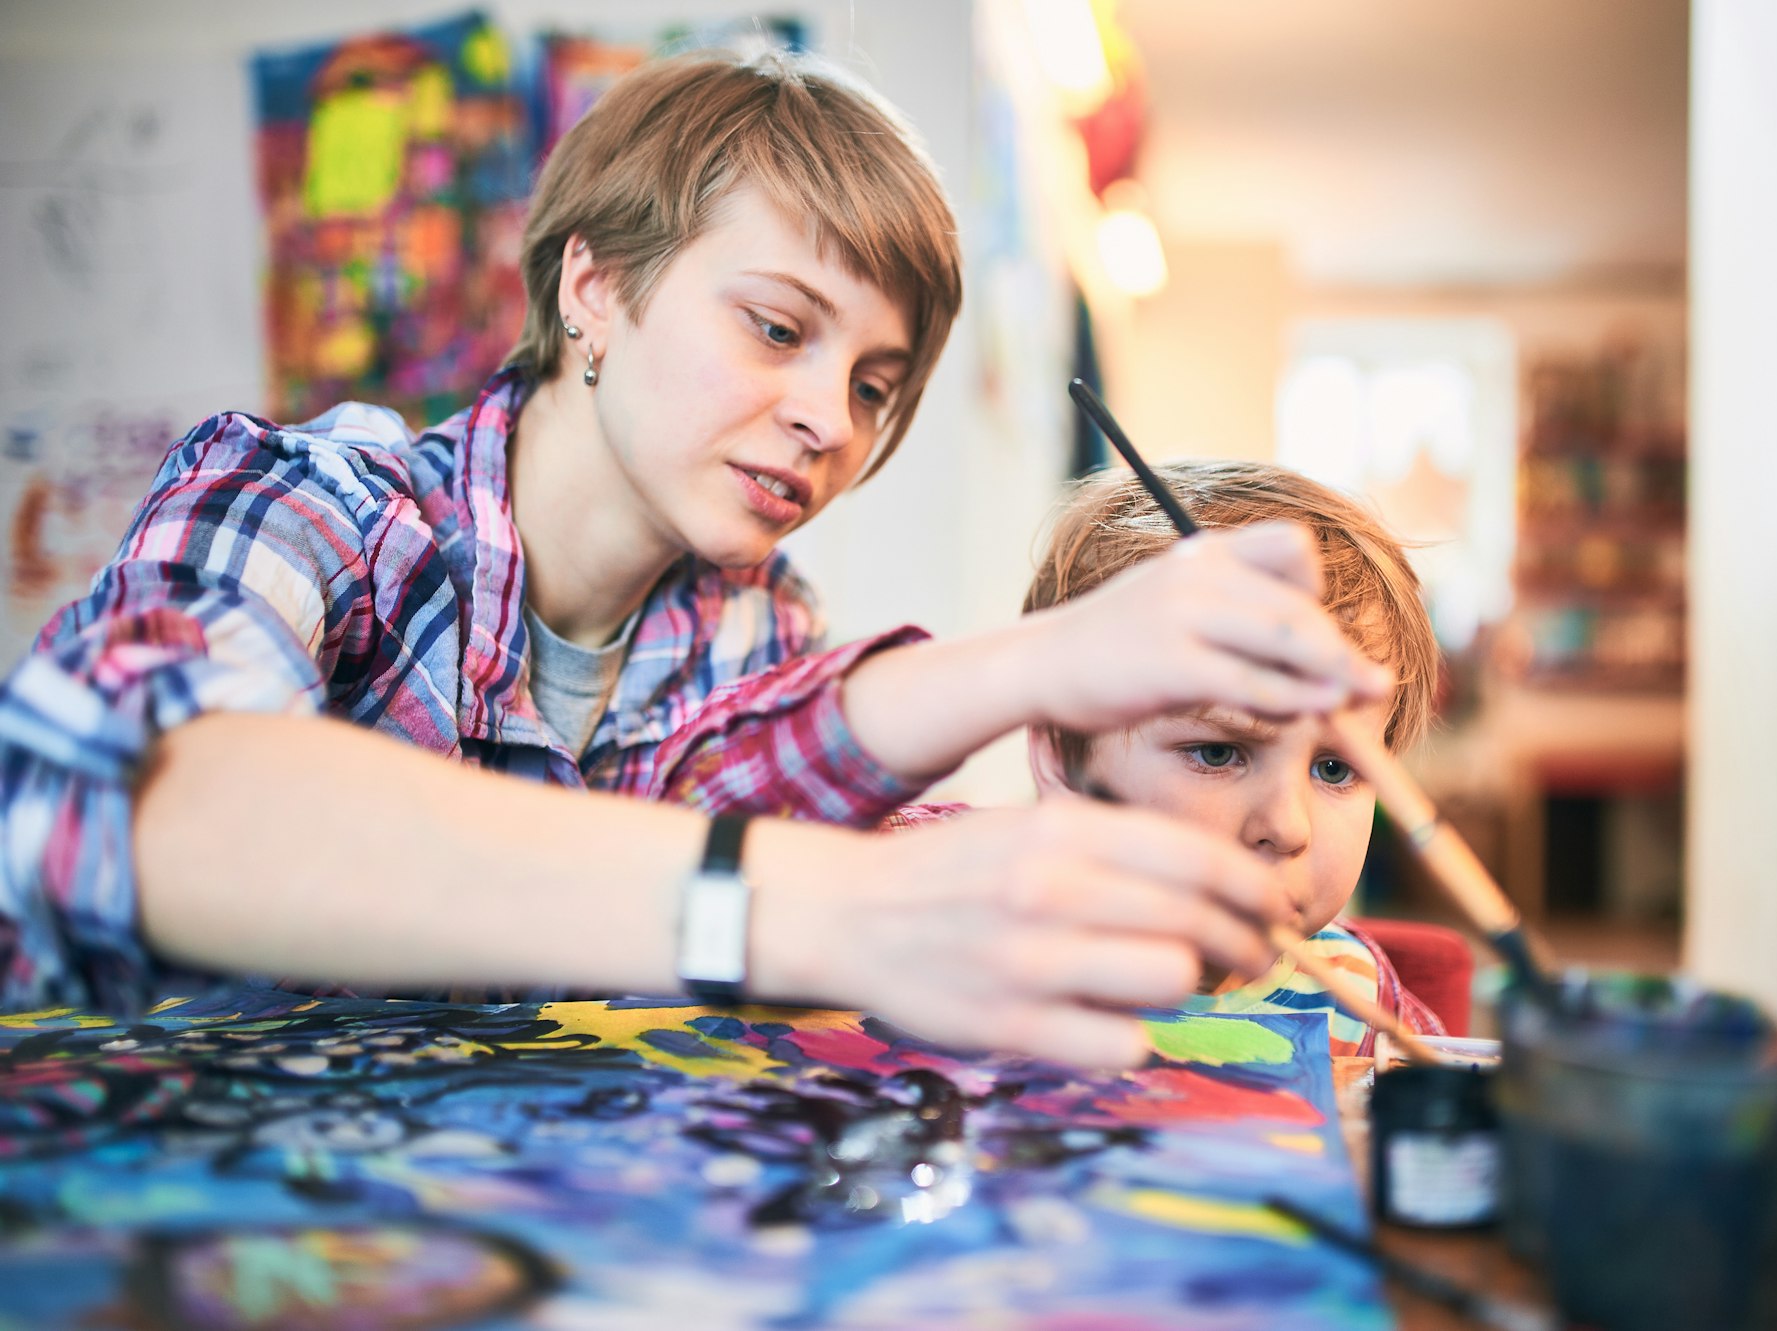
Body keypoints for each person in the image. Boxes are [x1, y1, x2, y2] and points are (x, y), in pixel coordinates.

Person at [0, 51, 1388, 1069]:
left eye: (875, 382)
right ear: (592, 288)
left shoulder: (753, 621)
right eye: (780, 330)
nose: (826, 419)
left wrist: (1061, 680)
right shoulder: (318, 503)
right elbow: (114, 803)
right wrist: (800, 903)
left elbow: (824, 811)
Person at [1019, 461, 1447, 1053]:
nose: (1287, 826)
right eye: (1219, 754)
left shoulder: (1362, 1009)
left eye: (1334, 768)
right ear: (1064, 759)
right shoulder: (987, 962)